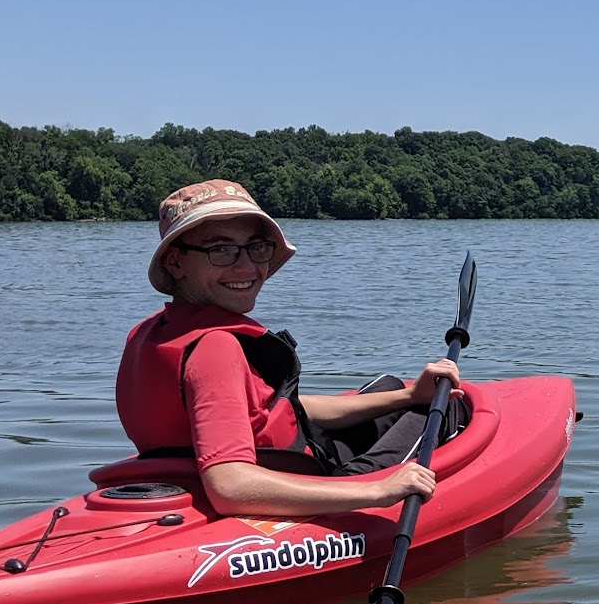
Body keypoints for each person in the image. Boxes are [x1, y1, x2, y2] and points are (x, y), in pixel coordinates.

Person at [116, 179, 462, 517]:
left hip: (282, 459)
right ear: (175, 262)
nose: (247, 266)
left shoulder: (150, 332)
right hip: (295, 483)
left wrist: (410, 395)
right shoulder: (214, 347)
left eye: (257, 248)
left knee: (394, 388)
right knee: (443, 409)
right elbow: (229, 487)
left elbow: (273, 410)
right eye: (221, 249)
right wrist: (379, 489)